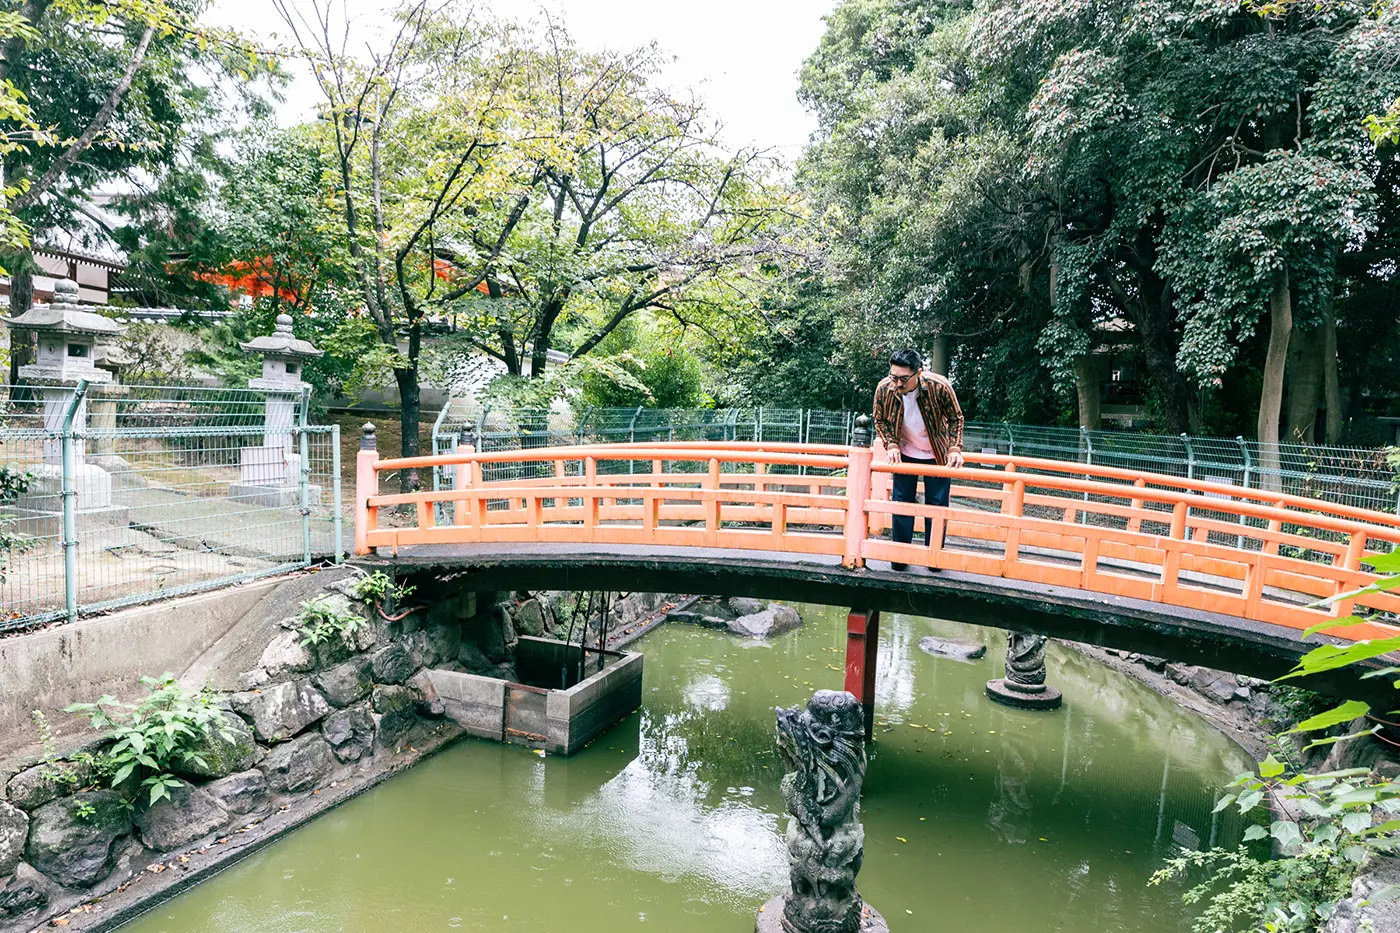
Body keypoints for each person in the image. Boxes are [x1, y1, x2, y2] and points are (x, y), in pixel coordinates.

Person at [871, 348, 964, 571]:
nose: (898, 384)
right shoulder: (885, 388)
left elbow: (956, 418)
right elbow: (879, 419)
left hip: (937, 454)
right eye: (894, 377)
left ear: (918, 373)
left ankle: (934, 558)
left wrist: (954, 448)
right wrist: (891, 443)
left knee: (937, 505)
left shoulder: (939, 386)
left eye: (904, 379)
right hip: (904, 454)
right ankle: (901, 556)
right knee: (902, 503)